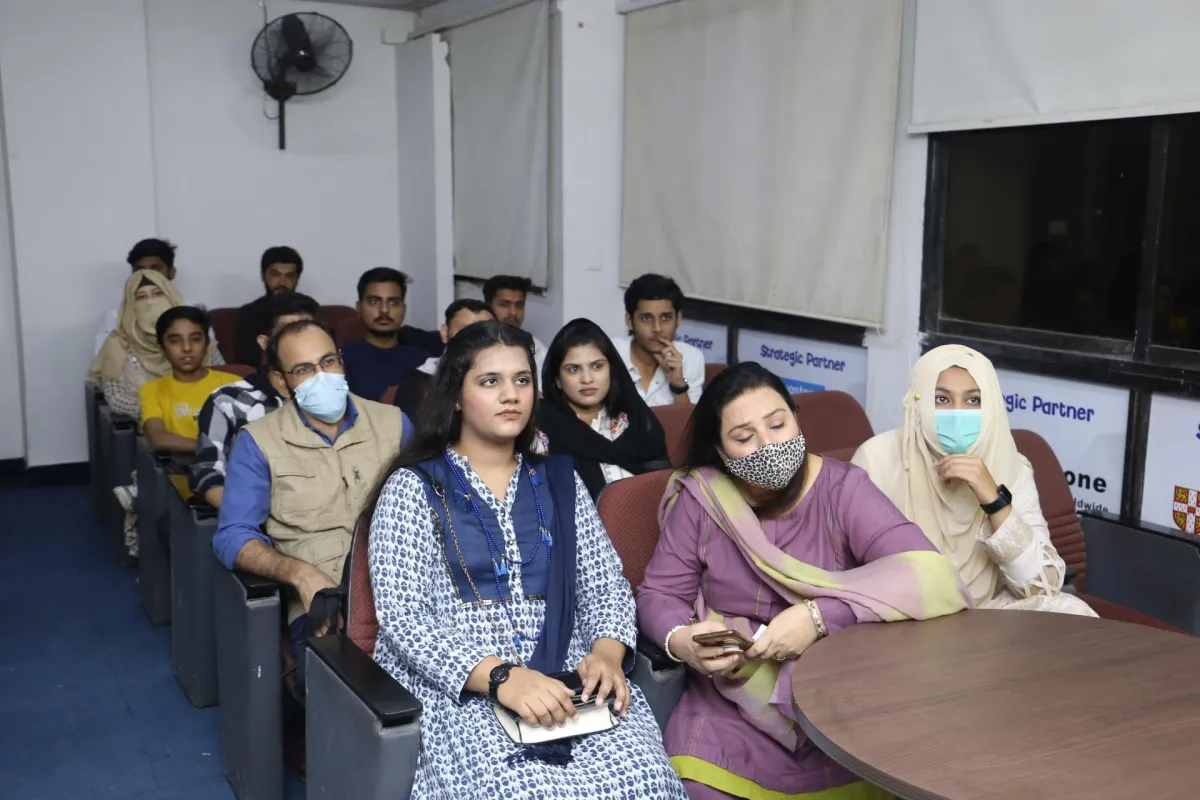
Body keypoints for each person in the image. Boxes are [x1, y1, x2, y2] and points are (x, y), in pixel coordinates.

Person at [361, 320, 687, 799]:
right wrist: (501, 678)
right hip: (464, 686)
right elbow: (405, 619)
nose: (510, 394)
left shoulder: (560, 481)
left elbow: (604, 585)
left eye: (521, 380)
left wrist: (606, 653)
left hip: (570, 675)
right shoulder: (414, 487)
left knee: (648, 783)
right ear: (456, 396)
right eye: (489, 381)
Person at [638, 362, 971, 799]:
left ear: (796, 419)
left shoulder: (843, 488)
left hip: (840, 694)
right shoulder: (703, 498)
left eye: (777, 425)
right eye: (744, 437)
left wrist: (818, 617)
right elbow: (660, 592)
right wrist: (681, 639)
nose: (768, 445)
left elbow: (927, 574)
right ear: (720, 451)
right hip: (734, 698)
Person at [213, 318, 414, 656]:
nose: (322, 376)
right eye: (304, 369)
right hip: (323, 597)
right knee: (349, 671)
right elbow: (233, 536)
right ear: (281, 381)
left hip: (404, 585)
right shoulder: (259, 441)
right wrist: (300, 575)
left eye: (328, 361)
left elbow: (434, 509)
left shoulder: (394, 423)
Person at [851, 345, 1097, 617]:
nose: (957, 412)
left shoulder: (1009, 465)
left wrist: (992, 498)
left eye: (972, 401)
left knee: (1071, 610)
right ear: (918, 402)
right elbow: (850, 570)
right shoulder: (877, 459)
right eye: (942, 399)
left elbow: (1043, 586)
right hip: (899, 617)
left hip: (983, 614)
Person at [190, 292, 321, 509]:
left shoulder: (333, 399)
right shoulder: (227, 401)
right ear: (265, 342)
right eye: (287, 332)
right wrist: (249, 516)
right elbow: (208, 473)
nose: (299, 343)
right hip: (253, 516)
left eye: (307, 332)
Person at [534, 318, 670, 500]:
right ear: (557, 379)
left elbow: (663, 489)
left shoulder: (635, 418)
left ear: (611, 370)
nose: (587, 379)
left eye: (597, 366)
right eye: (573, 369)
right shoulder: (541, 426)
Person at [88, 269, 223, 418]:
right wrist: (164, 411)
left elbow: (225, 378)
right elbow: (116, 399)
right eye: (141, 297)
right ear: (131, 306)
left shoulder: (198, 338)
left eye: (158, 294)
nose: (150, 302)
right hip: (150, 422)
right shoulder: (117, 345)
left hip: (207, 418)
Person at [140, 306, 240, 455]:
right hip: (183, 468)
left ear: (207, 344)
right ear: (162, 348)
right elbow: (158, 438)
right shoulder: (153, 390)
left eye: (195, 339)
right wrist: (214, 448)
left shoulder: (233, 383)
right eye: (175, 341)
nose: (186, 348)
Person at [341, 267, 433, 401]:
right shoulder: (340, 359)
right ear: (359, 308)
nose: (384, 310)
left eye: (393, 302)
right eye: (374, 301)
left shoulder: (424, 362)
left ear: (404, 309)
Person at [394, 298, 494, 417]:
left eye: (485, 333)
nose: (476, 340)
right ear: (444, 333)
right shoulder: (419, 382)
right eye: (465, 331)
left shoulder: (506, 379)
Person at [616, 274, 704, 406]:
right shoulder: (609, 354)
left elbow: (688, 419)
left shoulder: (691, 358)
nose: (657, 328)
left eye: (666, 317)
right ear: (629, 321)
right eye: (646, 318)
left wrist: (678, 385)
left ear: (678, 319)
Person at [94, 238, 180, 356]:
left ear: (172, 272)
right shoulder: (116, 316)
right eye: (139, 270)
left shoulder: (191, 309)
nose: (146, 276)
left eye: (155, 269)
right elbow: (104, 360)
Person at [233, 246, 303, 367]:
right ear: (263, 275)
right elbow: (248, 363)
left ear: (297, 279)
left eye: (289, 276)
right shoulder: (248, 313)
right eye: (275, 275)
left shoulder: (308, 310)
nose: (282, 282)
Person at [483, 274, 548, 375]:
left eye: (519, 305)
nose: (513, 312)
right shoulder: (475, 344)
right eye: (504, 305)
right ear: (488, 306)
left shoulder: (536, 349)